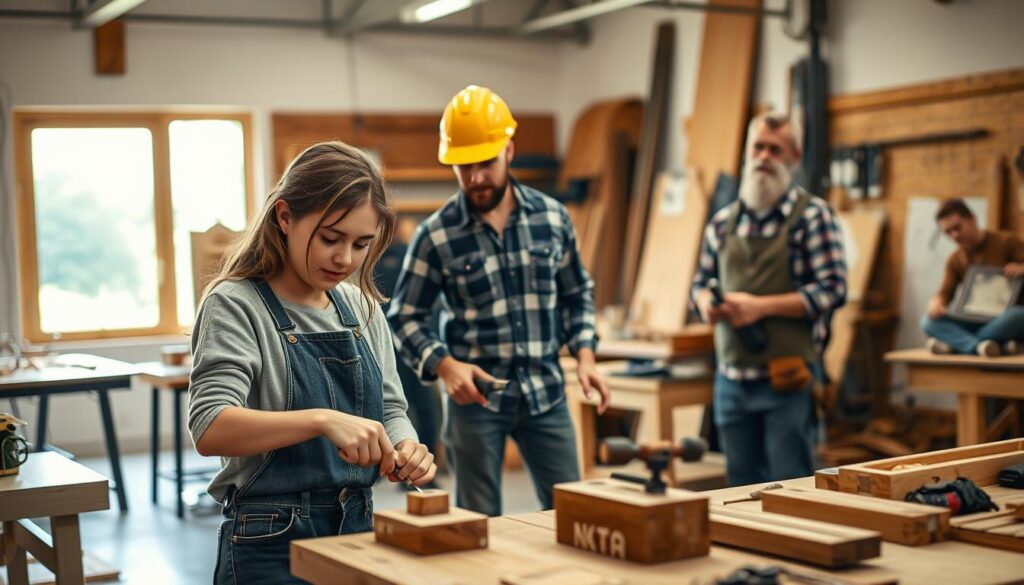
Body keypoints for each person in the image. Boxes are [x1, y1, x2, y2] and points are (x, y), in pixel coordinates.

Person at [188, 141, 436, 585]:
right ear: (284, 217)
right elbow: (210, 427)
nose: (345, 259)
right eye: (330, 238)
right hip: (269, 539)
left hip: (357, 527)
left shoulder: (361, 306)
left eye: (362, 244)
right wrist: (322, 420)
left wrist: (406, 448)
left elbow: (392, 409)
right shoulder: (236, 305)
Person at [387, 85, 610, 517]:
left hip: (547, 393)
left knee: (572, 513)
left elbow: (576, 292)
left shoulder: (552, 217)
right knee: (477, 522)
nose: (474, 179)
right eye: (463, 168)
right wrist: (445, 366)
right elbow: (405, 316)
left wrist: (585, 356)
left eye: (485, 164)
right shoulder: (436, 234)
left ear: (509, 149)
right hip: (476, 403)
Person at [692, 112, 847, 486]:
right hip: (731, 379)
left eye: (775, 150)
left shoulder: (812, 217)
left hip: (786, 380)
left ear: (794, 157)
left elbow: (832, 289)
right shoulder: (722, 223)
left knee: (790, 485)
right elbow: (699, 283)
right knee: (740, 485)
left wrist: (759, 307)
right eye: (757, 147)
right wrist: (705, 303)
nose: (764, 156)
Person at [921, 198, 1024, 357]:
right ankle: (982, 346)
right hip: (975, 319)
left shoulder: (1008, 241)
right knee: (928, 322)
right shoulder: (955, 259)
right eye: (948, 232)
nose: (954, 235)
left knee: (1018, 315)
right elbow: (944, 293)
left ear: (973, 218)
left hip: (1006, 318)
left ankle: (956, 345)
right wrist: (936, 302)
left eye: (957, 227)